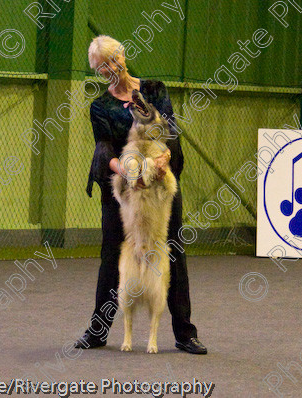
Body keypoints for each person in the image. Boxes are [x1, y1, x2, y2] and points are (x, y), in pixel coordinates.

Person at [76, 35, 206, 355]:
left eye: (110, 61)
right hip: (124, 190)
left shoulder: (154, 90)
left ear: (122, 55)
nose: (107, 69)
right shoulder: (100, 107)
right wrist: (126, 172)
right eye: (99, 67)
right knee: (112, 255)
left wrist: (161, 162)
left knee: (172, 250)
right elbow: (104, 148)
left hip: (159, 187)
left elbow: (169, 130)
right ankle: (98, 330)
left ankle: (184, 333)